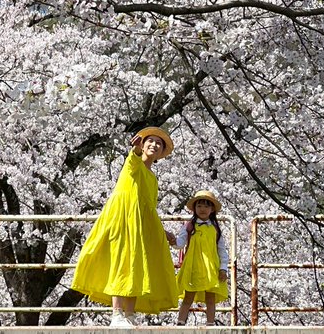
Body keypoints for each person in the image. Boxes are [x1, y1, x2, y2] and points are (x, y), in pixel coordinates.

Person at [70, 127, 180, 327]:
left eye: (159, 143)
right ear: (142, 145)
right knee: (121, 260)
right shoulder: (134, 164)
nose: (154, 145)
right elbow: (132, 161)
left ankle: (129, 313)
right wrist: (136, 151)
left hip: (142, 225)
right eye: (150, 141)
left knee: (137, 265)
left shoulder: (153, 178)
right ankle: (117, 313)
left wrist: (162, 231)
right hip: (123, 219)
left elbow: (150, 207)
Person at [173, 190, 229, 326]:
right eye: (199, 206)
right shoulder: (189, 226)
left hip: (211, 266)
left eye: (206, 206)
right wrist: (172, 241)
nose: (202, 209)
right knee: (188, 296)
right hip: (193, 266)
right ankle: (180, 323)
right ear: (194, 208)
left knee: (211, 297)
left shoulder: (215, 228)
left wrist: (223, 268)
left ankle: (210, 324)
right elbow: (180, 244)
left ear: (212, 209)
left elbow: (222, 250)